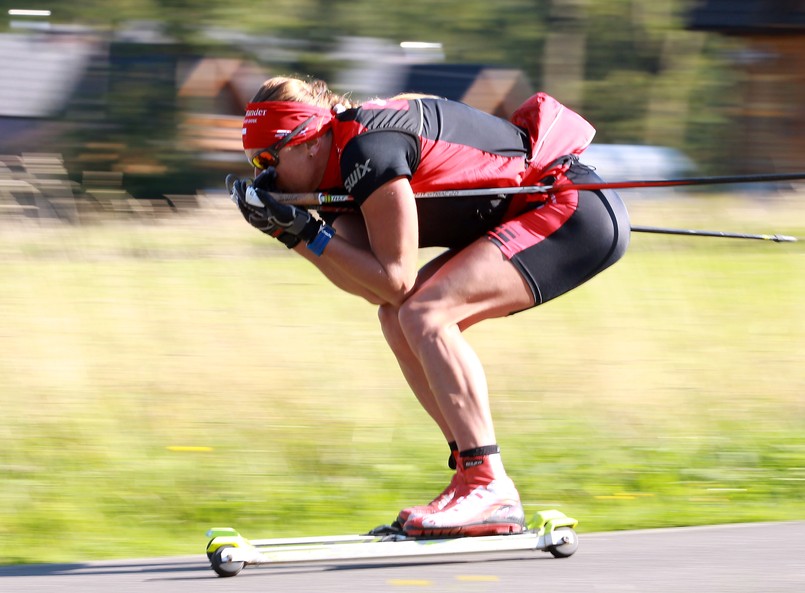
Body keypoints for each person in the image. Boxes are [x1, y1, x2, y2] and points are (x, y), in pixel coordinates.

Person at [228, 75, 630, 538]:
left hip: (572, 207)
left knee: (426, 314)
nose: (264, 175)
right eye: (253, 163)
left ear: (310, 141)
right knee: (398, 318)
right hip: (539, 212)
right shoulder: (338, 173)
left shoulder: (368, 149)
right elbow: (375, 288)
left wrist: (302, 232)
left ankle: (488, 483)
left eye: (267, 158)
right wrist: (291, 234)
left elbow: (395, 276)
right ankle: (470, 478)